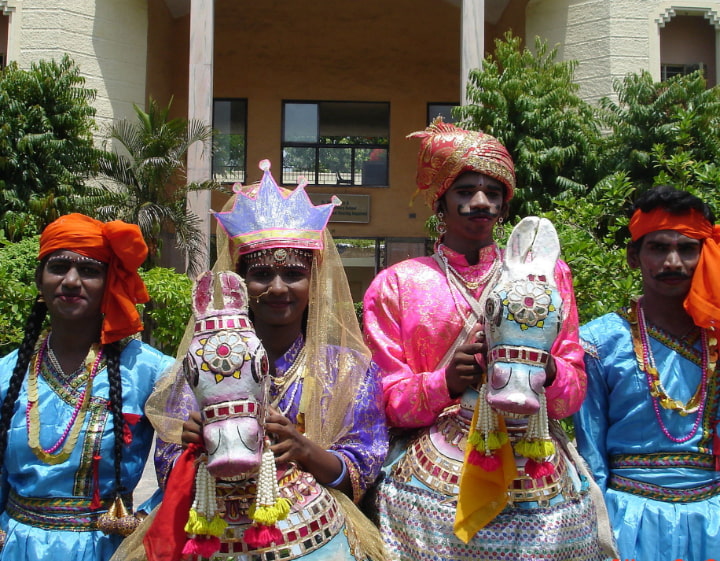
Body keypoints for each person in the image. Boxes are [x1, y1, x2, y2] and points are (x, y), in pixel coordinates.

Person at [362, 119, 612, 560]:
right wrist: (445, 383)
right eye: (465, 192)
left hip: (534, 448)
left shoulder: (547, 277)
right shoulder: (397, 284)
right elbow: (381, 397)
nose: (480, 202)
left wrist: (549, 371)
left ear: (505, 206)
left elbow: (572, 388)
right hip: (431, 462)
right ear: (440, 202)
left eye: (492, 193)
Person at [136, 160, 388, 561]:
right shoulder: (204, 362)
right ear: (239, 282)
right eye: (261, 274)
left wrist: (306, 451)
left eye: (292, 274)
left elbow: (365, 465)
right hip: (212, 536)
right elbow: (167, 463)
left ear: (314, 280)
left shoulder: (349, 370)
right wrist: (192, 443)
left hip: (316, 537)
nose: (277, 288)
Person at [0, 213, 175, 561]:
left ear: (111, 282)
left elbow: (186, 465)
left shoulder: (151, 372)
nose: (71, 281)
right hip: (15, 547)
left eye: (90, 271)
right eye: (58, 267)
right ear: (40, 280)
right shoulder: (7, 373)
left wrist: (141, 529)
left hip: (108, 550)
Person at [573, 185, 720, 560]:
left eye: (687, 248)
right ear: (633, 257)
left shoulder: (718, 340)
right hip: (628, 522)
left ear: (706, 254)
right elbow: (591, 456)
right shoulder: (597, 343)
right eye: (658, 248)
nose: (673, 262)